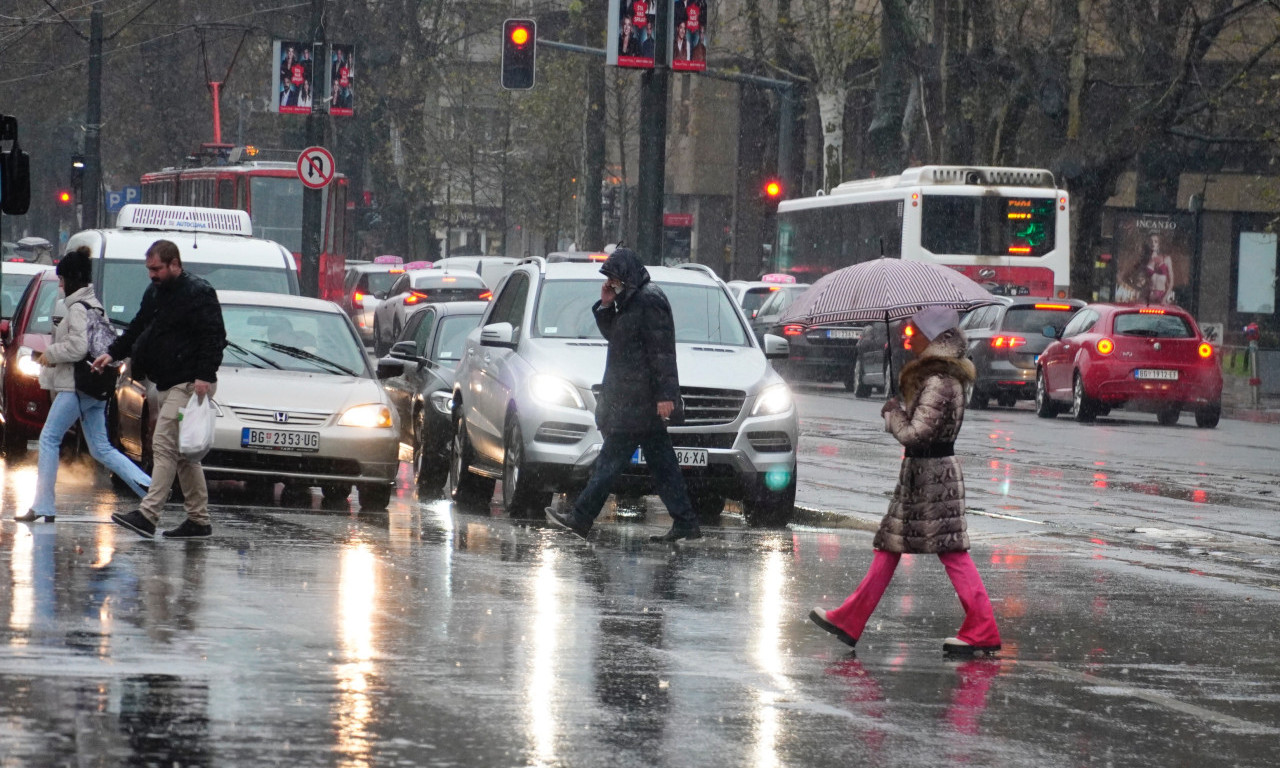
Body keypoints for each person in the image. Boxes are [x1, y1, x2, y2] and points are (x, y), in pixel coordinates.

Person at [809, 306, 1002, 655]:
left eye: (916, 334)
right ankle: (850, 618)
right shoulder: (938, 377)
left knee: (951, 551)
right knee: (891, 547)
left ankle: (983, 627)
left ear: (932, 338)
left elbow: (917, 433)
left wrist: (895, 414)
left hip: (932, 479)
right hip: (922, 477)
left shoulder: (941, 381)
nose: (909, 339)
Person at [545, 247, 701, 543]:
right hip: (633, 399)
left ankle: (580, 519)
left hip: (639, 402)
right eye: (609, 279)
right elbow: (616, 336)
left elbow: (662, 352)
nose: (612, 282)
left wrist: (665, 396)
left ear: (627, 275)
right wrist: (606, 305)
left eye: (615, 278)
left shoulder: (649, 300)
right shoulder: (630, 301)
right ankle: (686, 522)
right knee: (662, 465)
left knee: (609, 463)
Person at [92, 240, 227, 539]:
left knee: (164, 446)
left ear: (175, 264)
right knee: (183, 457)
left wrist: (204, 375)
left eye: (157, 269)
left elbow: (214, 336)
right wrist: (112, 353)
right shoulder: (156, 292)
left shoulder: (198, 292)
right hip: (169, 382)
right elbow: (138, 326)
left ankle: (148, 514)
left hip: (189, 384)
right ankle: (199, 520)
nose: (151, 275)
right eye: (149, 269)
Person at [14, 248, 151, 523]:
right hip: (93, 385)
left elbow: (77, 348)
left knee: (50, 439)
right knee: (100, 447)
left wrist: (48, 355)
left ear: (72, 279)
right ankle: (149, 487)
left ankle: (43, 506)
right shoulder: (94, 304)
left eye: (62, 280)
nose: (60, 285)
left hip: (76, 385)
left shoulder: (77, 308)